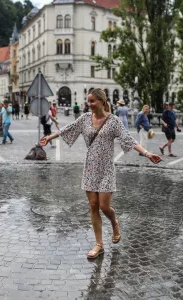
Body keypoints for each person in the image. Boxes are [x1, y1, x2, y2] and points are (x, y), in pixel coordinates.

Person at [39, 88, 161, 259]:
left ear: (102, 101)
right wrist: (49, 137)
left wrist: (147, 154)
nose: (89, 104)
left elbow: (129, 139)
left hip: (106, 169)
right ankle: (99, 245)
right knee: (93, 206)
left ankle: (114, 223)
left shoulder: (113, 121)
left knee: (104, 206)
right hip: (90, 167)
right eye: (88, 101)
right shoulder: (85, 119)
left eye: (92, 101)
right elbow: (67, 129)